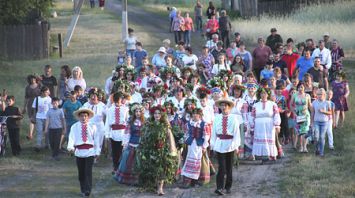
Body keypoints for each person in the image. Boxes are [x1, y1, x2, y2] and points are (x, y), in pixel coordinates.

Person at [137, 105, 178, 195]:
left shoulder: (165, 126)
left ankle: (160, 188)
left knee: (162, 169)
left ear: (162, 115)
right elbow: (144, 136)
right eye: (155, 113)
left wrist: (172, 150)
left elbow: (169, 138)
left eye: (159, 113)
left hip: (162, 150)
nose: (157, 115)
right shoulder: (149, 125)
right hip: (151, 150)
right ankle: (154, 185)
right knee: (153, 168)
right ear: (153, 114)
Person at [211, 94, 240, 195]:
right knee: (221, 167)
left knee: (229, 168)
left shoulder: (233, 118)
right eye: (222, 105)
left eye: (225, 105)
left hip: (230, 144)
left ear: (229, 107)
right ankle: (219, 187)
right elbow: (213, 132)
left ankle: (228, 186)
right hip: (220, 144)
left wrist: (236, 146)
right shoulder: (217, 118)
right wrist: (213, 144)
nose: (224, 107)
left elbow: (236, 133)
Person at [67, 108, 100, 197]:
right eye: (82, 116)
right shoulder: (74, 127)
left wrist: (97, 151)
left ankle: (87, 190)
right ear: (79, 117)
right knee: (81, 172)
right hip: (79, 152)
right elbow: (72, 138)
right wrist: (70, 147)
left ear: (88, 117)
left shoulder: (93, 126)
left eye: (85, 116)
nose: (83, 118)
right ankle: (82, 188)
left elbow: (96, 139)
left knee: (88, 171)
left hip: (90, 152)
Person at [114, 103, 144, 185]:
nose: (138, 113)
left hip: (141, 144)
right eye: (136, 111)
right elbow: (127, 133)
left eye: (139, 111)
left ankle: (139, 179)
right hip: (132, 144)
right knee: (129, 161)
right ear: (134, 113)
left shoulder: (144, 122)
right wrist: (125, 144)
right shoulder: (131, 121)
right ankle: (128, 179)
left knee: (139, 162)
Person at [180, 108, 210, 188]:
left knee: (198, 162)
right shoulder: (188, 124)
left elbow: (206, 135)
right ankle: (188, 181)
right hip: (190, 145)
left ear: (200, 116)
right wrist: (184, 141)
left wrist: (204, 146)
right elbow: (185, 133)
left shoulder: (204, 124)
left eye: (196, 115)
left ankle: (198, 180)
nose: (194, 116)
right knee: (188, 161)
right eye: (193, 115)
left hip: (199, 145)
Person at [250, 88, 281, 161]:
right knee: (260, 139)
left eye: (265, 93)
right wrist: (252, 126)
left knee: (269, 139)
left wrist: (277, 125)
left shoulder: (272, 104)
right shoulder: (256, 105)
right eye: (262, 93)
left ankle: (271, 155)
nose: (263, 95)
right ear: (259, 94)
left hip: (269, 125)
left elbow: (276, 114)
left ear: (268, 94)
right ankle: (260, 155)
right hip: (259, 126)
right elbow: (252, 116)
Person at [82, 88, 107, 159]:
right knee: (89, 140)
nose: (93, 97)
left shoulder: (102, 105)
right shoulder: (86, 105)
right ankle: (89, 155)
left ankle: (96, 156)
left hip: (99, 126)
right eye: (92, 96)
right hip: (89, 126)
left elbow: (108, 114)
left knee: (98, 142)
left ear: (98, 97)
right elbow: (81, 113)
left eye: (95, 96)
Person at [290, 82, 311, 152]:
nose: (300, 88)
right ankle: (301, 147)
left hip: (306, 115)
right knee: (300, 132)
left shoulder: (307, 95)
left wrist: (313, 113)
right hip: (298, 115)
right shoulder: (294, 95)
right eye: (299, 87)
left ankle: (305, 147)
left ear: (304, 88)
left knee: (305, 131)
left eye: (302, 87)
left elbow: (310, 106)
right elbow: (290, 104)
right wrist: (294, 112)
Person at [311, 88, 332, 157]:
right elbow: (312, 113)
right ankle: (317, 149)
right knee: (316, 137)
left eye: (321, 94)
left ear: (324, 95)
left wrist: (324, 111)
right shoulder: (314, 102)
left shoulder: (327, 103)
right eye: (318, 94)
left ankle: (321, 152)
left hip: (324, 122)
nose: (319, 96)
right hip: (316, 121)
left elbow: (330, 112)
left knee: (322, 137)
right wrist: (311, 122)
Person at [32, 86, 52, 152]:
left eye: (48, 91)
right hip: (39, 117)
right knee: (39, 131)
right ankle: (38, 145)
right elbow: (34, 108)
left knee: (47, 132)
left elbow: (50, 109)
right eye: (46, 92)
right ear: (42, 92)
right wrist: (34, 117)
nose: (48, 93)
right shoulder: (37, 99)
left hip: (47, 118)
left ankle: (47, 144)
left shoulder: (49, 99)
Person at [24, 75, 41, 140]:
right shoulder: (27, 87)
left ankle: (38, 133)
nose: (32, 80)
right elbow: (26, 97)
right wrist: (24, 107)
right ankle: (30, 134)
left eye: (33, 78)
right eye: (31, 79)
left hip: (38, 103)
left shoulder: (39, 85)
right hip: (30, 104)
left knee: (38, 119)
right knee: (31, 119)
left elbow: (45, 90)